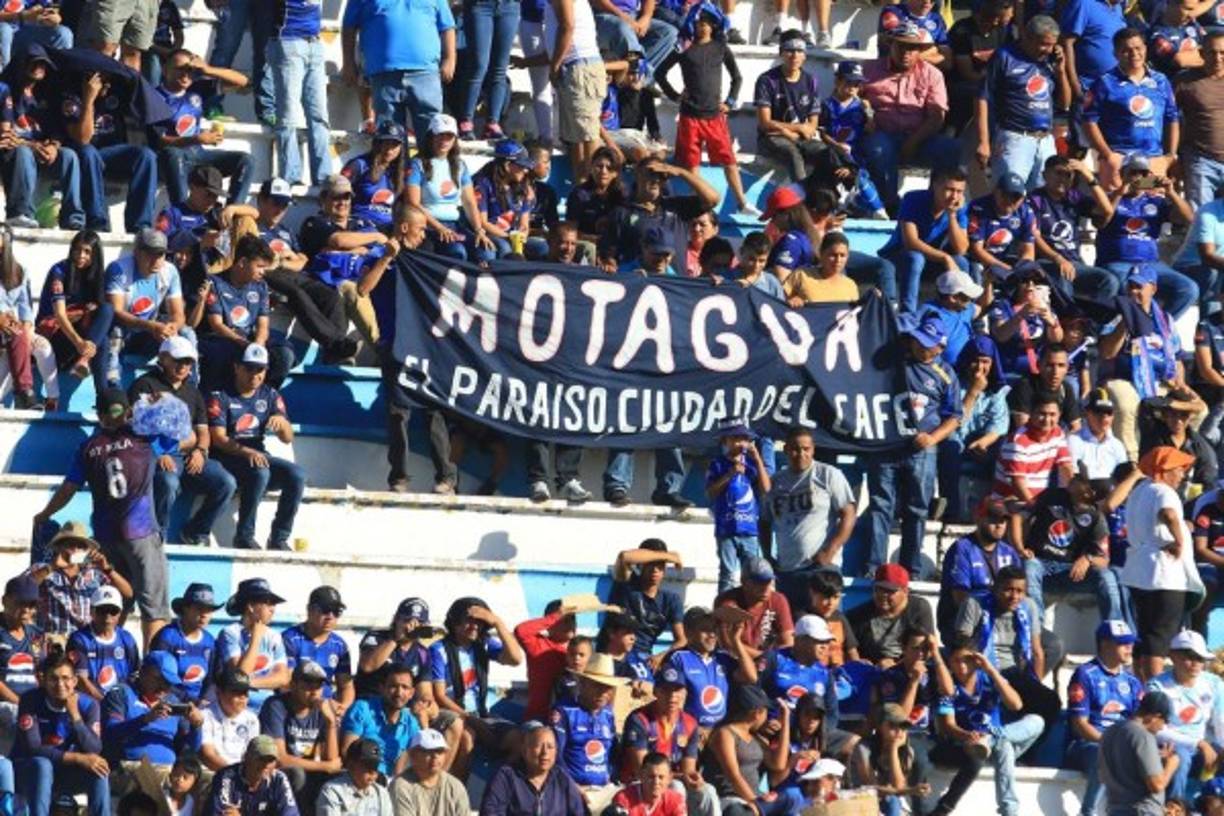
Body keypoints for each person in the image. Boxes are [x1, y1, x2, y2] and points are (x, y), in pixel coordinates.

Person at [33, 388, 171, 647]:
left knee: (112, 601)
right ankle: (152, 667)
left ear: (99, 415)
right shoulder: (142, 437)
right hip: (141, 532)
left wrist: (45, 514)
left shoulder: (88, 448)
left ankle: (105, 651)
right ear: (127, 411)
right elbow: (180, 433)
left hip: (106, 536)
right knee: (154, 606)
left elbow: (68, 488)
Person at [863, 313, 962, 576]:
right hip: (886, 445)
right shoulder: (894, 363)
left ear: (940, 346)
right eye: (918, 340)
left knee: (916, 509)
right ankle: (874, 567)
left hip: (922, 450)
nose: (920, 347)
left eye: (927, 343)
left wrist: (932, 438)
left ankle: (911, 569)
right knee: (880, 505)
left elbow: (955, 417)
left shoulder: (946, 375)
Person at [129, 335, 236, 546]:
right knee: (168, 482)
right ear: (163, 358)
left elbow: (203, 432)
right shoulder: (145, 385)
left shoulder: (193, 393)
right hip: (156, 455)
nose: (183, 366)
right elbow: (136, 428)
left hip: (187, 456)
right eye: (178, 360)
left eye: (188, 362)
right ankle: (157, 537)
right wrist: (158, 452)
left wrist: (201, 451)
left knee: (226, 482)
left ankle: (196, 532)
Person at [656, 5, 755, 216]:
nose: (701, 27)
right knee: (692, 164)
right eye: (697, 23)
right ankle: (701, 204)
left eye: (705, 24)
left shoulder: (720, 47)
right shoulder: (684, 48)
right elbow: (660, 73)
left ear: (712, 26)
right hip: (690, 117)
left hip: (714, 117)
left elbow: (737, 77)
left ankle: (742, 202)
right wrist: (674, 95)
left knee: (729, 160)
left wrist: (730, 100)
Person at [930, 637, 1044, 816]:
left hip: (992, 740)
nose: (961, 666)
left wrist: (990, 669)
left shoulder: (988, 679)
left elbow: (1016, 705)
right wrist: (968, 736)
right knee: (1004, 747)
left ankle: (992, 736)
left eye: (967, 660)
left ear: (976, 660)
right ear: (949, 663)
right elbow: (948, 726)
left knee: (1037, 721)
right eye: (956, 661)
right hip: (971, 747)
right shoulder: (949, 687)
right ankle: (1009, 812)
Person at [207, 344, 305, 551]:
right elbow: (218, 439)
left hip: (257, 454)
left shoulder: (270, 395)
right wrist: (246, 452)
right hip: (227, 456)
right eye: (249, 368)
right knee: (259, 472)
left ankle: (279, 537)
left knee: (296, 474)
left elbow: (287, 439)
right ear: (237, 367)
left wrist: (282, 423)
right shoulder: (220, 395)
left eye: (259, 369)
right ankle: (244, 536)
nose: (255, 374)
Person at [860, 22, 961, 214]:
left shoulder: (933, 75)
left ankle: (935, 206)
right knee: (878, 147)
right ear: (891, 45)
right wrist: (865, 113)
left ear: (919, 51)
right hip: (882, 134)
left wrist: (913, 142)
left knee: (952, 149)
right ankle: (888, 206)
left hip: (921, 137)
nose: (906, 52)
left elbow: (937, 117)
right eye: (901, 46)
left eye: (912, 47)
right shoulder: (869, 70)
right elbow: (851, 98)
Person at [1120, 447, 1201, 680]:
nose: (1182, 475)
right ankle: (1155, 688)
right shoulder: (1163, 491)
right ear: (1163, 470)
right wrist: (1178, 538)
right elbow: (1169, 514)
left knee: (1145, 633)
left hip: (1139, 570)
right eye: (1178, 469)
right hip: (1164, 572)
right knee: (1160, 636)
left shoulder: (1139, 491)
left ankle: (1141, 685)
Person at [762, 426, 856, 607]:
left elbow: (849, 514)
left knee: (825, 629)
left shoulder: (828, 475)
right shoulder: (775, 482)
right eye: (795, 449)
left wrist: (830, 550)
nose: (801, 454)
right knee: (793, 630)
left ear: (813, 450)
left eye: (806, 449)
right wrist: (767, 555)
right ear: (786, 450)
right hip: (787, 570)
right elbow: (764, 521)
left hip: (820, 568)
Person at [340, 0, 455, 142]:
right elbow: (349, 27)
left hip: (425, 74)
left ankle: (428, 165)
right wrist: (348, 62)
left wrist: (450, 59)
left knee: (432, 139)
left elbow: (447, 27)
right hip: (384, 74)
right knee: (389, 141)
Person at [1094, 158, 1196, 317]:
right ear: (1122, 174)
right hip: (1117, 263)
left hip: (1150, 264)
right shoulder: (1108, 197)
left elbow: (1189, 219)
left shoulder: (1156, 201)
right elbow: (1100, 220)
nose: (1138, 177)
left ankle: (1157, 327)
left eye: (1143, 173)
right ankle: (1126, 328)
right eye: (1133, 172)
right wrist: (1121, 192)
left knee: (1188, 289)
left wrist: (1171, 192)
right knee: (1122, 285)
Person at [976, 16, 1070, 189]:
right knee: (1008, 196)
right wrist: (983, 141)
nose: (1049, 50)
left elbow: (1064, 104)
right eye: (1044, 44)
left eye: (1052, 45)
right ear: (1027, 37)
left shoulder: (1050, 61)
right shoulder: (1004, 56)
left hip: (1045, 140)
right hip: (1014, 137)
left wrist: (1061, 72)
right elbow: (982, 97)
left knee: (1044, 200)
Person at [12, 651, 108, 816]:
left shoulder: (89, 705)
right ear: (43, 681)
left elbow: (94, 748)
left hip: (65, 772)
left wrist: (76, 717)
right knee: (43, 764)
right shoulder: (30, 701)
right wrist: (78, 758)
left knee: (98, 767)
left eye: (65, 678)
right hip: (29, 770)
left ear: (75, 681)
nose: (60, 684)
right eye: (53, 678)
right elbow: (33, 748)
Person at [1082, 29, 1180, 190]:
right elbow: (1089, 121)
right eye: (1126, 50)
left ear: (1145, 49)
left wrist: (1170, 156)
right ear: (1116, 53)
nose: (1134, 53)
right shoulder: (1104, 83)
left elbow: (1172, 118)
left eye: (1138, 48)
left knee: (1152, 205)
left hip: (1153, 160)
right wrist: (1108, 155)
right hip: (1119, 161)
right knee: (1117, 207)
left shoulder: (1160, 81)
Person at [153, 49, 253, 206]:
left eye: (190, 69)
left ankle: (231, 212)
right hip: (170, 162)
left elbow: (244, 83)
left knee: (245, 160)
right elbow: (160, 141)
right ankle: (181, 213)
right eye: (180, 68)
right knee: (173, 154)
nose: (186, 74)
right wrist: (196, 138)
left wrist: (208, 69)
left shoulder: (197, 90)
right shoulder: (154, 96)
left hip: (199, 156)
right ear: (165, 70)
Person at [98, 228, 194, 389]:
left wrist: (172, 327)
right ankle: (113, 385)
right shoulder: (119, 270)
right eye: (151, 254)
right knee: (116, 331)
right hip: (123, 331)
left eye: (161, 254)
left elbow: (178, 313)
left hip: (148, 332)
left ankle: (190, 384)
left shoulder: (169, 271)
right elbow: (116, 312)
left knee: (186, 333)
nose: (156, 260)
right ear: (137, 252)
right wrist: (150, 326)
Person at [62, 72, 158, 234]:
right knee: (89, 152)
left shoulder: (116, 93)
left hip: (110, 152)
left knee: (146, 155)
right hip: (82, 152)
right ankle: (97, 220)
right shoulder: (72, 99)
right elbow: (83, 139)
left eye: (108, 81)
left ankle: (140, 225)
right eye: (102, 81)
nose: (107, 85)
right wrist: (89, 99)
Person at [1066, 619, 1143, 816]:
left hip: (1120, 744)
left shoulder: (1132, 682)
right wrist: (1109, 742)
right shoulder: (1085, 674)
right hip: (1086, 744)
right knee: (1106, 756)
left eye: (1131, 643)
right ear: (1104, 644)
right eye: (1123, 643)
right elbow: (1079, 724)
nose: (1129, 648)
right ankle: (1088, 812)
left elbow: (1139, 721)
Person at [198, 235, 294, 391]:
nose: (263, 272)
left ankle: (264, 396)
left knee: (284, 354)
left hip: (250, 338)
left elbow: (263, 324)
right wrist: (242, 343)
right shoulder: (215, 283)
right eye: (260, 266)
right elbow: (216, 324)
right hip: (223, 338)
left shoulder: (260, 286)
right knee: (221, 353)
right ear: (242, 262)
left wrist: (258, 345)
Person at [1024, 474, 1125, 620]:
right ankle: (1035, 627)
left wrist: (1087, 558)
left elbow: (1104, 560)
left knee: (1108, 576)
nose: (1075, 476)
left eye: (1082, 481)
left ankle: (1114, 629)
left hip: (1071, 572)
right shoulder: (1052, 495)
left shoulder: (1096, 517)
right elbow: (1020, 516)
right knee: (1030, 566)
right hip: (1041, 564)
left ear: (1089, 493)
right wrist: (1020, 547)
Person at [877, 167, 970, 313]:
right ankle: (908, 315)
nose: (954, 196)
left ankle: (958, 314)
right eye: (950, 189)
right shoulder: (913, 199)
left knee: (961, 262)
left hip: (932, 261)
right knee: (916, 258)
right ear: (934, 185)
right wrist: (945, 257)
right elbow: (911, 242)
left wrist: (952, 215)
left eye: (959, 192)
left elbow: (961, 249)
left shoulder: (960, 207)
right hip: (899, 257)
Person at [1144, 630, 1224, 799]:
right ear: (1173, 656)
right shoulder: (1157, 686)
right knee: (1181, 757)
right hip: (1170, 747)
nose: (1195, 663)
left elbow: (1221, 722)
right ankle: (1175, 807)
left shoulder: (1214, 683)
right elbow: (1154, 729)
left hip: (1205, 748)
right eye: (1189, 656)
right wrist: (1198, 743)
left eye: (1200, 658)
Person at [1027, 155, 1119, 301]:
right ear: (1045, 175)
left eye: (1067, 175)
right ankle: (1068, 320)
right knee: (1063, 278)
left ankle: (1094, 322)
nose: (1062, 179)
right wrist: (1058, 259)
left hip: (1075, 263)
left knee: (1109, 281)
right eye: (1058, 173)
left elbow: (1107, 210)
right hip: (1046, 262)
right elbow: (1033, 236)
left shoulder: (1074, 197)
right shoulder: (1035, 199)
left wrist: (1089, 177)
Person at [26, 521, 131, 639]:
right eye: (70, 545)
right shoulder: (43, 569)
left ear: (86, 551)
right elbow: (21, 588)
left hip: (87, 639)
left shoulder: (94, 573)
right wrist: (52, 567)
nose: (76, 549)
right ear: (60, 547)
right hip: (54, 639)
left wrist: (107, 569)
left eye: (81, 546)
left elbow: (127, 593)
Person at [267, 0, 332, 186]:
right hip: (289, 40)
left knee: (319, 116)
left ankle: (323, 177)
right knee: (288, 115)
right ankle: (290, 176)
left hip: (314, 42)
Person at [937, 498, 1022, 639]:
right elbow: (960, 597)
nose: (999, 525)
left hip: (1002, 618)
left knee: (1052, 645)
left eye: (1003, 520)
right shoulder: (962, 548)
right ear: (978, 518)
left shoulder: (1009, 552)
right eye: (993, 519)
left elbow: (1021, 591)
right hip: (964, 620)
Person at [101, 650, 198, 774]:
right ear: (143, 672)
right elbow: (110, 732)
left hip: (169, 772)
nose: (164, 687)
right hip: (129, 768)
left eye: (169, 682)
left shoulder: (173, 701)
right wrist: (145, 719)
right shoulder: (121, 694)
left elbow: (190, 749)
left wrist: (197, 726)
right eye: (159, 680)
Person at [260, 660, 340, 808]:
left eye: (319, 685)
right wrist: (325, 766)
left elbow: (333, 761)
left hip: (308, 767)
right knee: (298, 774)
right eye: (309, 684)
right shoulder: (275, 706)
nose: (314, 691)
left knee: (338, 778)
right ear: (293, 685)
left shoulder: (322, 709)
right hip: (277, 772)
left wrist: (330, 723)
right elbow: (280, 759)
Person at [550, 652, 625, 811]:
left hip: (605, 790)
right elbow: (556, 756)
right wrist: (573, 787)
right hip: (572, 789)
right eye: (597, 686)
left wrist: (611, 779)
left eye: (607, 687)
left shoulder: (608, 714)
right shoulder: (564, 711)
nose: (603, 692)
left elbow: (613, 754)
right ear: (583, 683)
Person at [702, 682, 790, 816]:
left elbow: (778, 764)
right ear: (757, 713)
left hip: (755, 798)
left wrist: (786, 721)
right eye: (766, 711)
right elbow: (733, 775)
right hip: (730, 798)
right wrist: (755, 802)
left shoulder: (756, 737)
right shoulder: (725, 734)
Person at [665, 607, 758, 729]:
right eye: (705, 630)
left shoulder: (723, 658)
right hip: (689, 731)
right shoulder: (679, 658)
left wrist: (736, 640)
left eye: (714, 629)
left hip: (719, 732)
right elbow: (671, 698)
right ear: (688, 632)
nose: (712, 635)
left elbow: (751, 677)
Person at [706, 419, 770, 592]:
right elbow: (711, 492)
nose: (740, 443)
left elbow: (766, 489)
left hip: (749, 529)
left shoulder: (751, 464)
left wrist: (757, 460)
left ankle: (748, 608)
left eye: (744, 439)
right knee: (728, 573)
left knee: (752, 573)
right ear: (725, 441)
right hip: (726, 529)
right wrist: (730, 474)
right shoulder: (718, 463)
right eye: (735, 438)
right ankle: (725, 611)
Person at [753, 31, 823, 183]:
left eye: (799, 50)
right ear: (781, 53)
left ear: (805, 55)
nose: (794, 55)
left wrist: (798, 132)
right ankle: (802, 198)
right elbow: (765, 123)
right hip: (772, 138)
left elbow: (812, 125)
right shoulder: (767, 80)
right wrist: (795, 129)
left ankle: (830, 201)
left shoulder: (811, 81)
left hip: (800, 137)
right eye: (789, 50)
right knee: (792, 152)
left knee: (826, 153)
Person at [1098, 691, 1180, 816]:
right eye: (1165, 721)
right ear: (1155, 716)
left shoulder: (1109, 732)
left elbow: (1104, 777)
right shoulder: (1144, 736)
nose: (1163, 728)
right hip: (1141, 811)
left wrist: (1156, 759)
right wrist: (1171, 764)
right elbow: (1156, 785)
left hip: (1114, 810)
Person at [478, 722, 587, 815]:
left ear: (556, 752)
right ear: (525, 751)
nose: (545, 753)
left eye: (550, 747)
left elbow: (577, 812)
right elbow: (490, 811)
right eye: (538, 746)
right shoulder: (506, 776)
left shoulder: (561, 778)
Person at [216, 578, 290, 714]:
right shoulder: (230, 633)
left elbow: (283, 678)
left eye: (273, 604)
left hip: (267, 708)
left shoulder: (274, 636)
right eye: (268, 603)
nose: (272, 609)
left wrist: (249, 683)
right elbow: (240, 674)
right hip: (238, 708)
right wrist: (256, 638)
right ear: (250, 606)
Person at [609, 540, 686, 669]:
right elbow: (624, 557)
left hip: (644, 659)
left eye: (660, 565)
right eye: (650, 564)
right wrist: (668, 556)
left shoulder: (671, 599)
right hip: (614, 654)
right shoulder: (627, 586)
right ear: (641, 565)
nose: (655, 570)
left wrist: (661, 656)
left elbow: (682, 640)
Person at [340, 661, 419, 778]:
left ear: (411, 693)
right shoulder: (362, 708)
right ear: (381, 688)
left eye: (405, 687)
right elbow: (347, 752)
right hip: (361, 777)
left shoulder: (411, 722)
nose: (399, 693)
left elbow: (415, 760)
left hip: (393, 783)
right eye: (393, 686)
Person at [282, 586, 354, 711]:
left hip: (325, 708)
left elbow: (346, 686)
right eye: (325, 610)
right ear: (309, 610)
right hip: (293, 707)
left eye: (336, 611)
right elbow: (286, 683)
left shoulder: (340, 645)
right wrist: (315, 702)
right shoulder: (289, 639)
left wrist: (342, 708)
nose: (330, 616)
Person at [992, 396, 1075, 505]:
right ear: (1031, 414)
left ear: (1059, 415)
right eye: (1042, 414)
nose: (1047, 420)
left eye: (1052, 415)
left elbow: (1066, 467)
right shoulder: (1017, 442)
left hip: (1041, 499)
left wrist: (1074, 497)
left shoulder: (1058, 433)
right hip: (1012, 501)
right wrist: (1037, 509)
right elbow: (1018, 484)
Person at [1175, 30, 1224, 209]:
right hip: (1200, 159)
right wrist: (1173, 155)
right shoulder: (1185, 81)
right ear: (1202, 54)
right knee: (1200, 220)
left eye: (1222, 53)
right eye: (1212, 52)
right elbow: (1169, 119)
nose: (1218, 58)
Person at [849, 564, 936, 665]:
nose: (883, 595)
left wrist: (897, 665)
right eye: (879, 589)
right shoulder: (858, 616)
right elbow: (850, 651)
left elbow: (927, 649)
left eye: (890, 591)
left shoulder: (919, 609)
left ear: (905, 591)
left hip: (910, 667)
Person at [68, 584, 140, 701]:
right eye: (102, 610)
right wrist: (105, 702)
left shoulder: (127, 639)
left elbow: (134, 674)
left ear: (120, 613)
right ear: (91, 611)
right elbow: (81, 681)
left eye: (113, 611)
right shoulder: (79, 640)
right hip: (91, 702)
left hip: (122, 701)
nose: (108, 616)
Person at [149, 582, 219, 701]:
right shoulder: (167, 637)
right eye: (199, 609)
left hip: (199, 706)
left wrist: (203, 701)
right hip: (169, 703)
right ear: (185, 608)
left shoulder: (209, 641)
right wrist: (188, 702)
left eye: (209, 610)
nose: (204, 615)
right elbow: (158, 677)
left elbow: (211, 678)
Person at [715, 558, 795, 658]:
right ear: (744, 582)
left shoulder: (778, 600)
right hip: (735, 660)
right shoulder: (727, 602)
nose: (766, 587)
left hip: (769, 663)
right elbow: (728, 645)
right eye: (760, 582)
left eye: (769, 581)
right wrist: (762, 658)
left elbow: (788, 642)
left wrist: (769, 661)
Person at [355, 597, 434, 698]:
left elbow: (425, 689)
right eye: (407, 620)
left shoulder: (422, 652)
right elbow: (367, 666)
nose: (412, 626)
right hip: (371, 701)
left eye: (419, 622)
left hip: (403, 704)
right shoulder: (376, 637)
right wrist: (396, 639)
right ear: (396, 619)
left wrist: (425, 704)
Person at [204, 735, 300, 816]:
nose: (266, 765)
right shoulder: (227, 777)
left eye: (270, 760)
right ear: (246, 757)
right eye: (261, 759)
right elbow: (219, 813)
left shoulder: (279, 779)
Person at [388, 728, 465, 815]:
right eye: (428, 751)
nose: (435, 756)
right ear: (413, 755)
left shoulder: (455, 786)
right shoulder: (401, 786)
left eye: (439, 751)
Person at [199, 666, 261, 772]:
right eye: (236, 692)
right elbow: (208, 755)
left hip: (241, 774)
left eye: (245, 692)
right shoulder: (205, 716)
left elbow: (251, 755)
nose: (242, 697)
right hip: (212, 773)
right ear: (219, 692)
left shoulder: (252, 719)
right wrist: (233, 775)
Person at [1058, 0, 1125, 99]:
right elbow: (1066, 42)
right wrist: (1075, 85)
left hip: (1115, 89)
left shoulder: (1118, 8)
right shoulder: (1084, 4)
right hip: (1089, 88)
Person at [317, 738, 392, 816]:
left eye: (375, 766)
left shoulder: (381, 793)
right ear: (351, 765)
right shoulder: (333, 791)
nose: (372, 771)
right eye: (367, 765)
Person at [613, 752, 688, 816]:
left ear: (669, 779)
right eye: (651, 777)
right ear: (641, 776)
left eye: (661, 777)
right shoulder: (623, 799)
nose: (656, 782)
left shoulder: (676, 800)